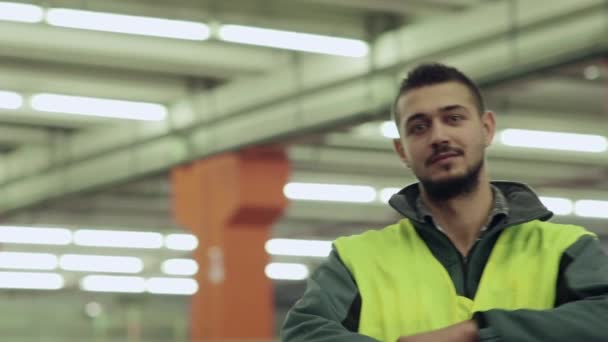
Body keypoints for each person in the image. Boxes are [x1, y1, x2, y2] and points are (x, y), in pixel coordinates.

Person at [280, 63, 608, 342]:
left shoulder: (564, 248)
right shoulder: (356, 260)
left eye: (453, 119)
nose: (438, 136)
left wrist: (477, 331)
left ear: (486, 129)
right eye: (419, 127)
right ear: (402, 151)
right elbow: (303, 333)